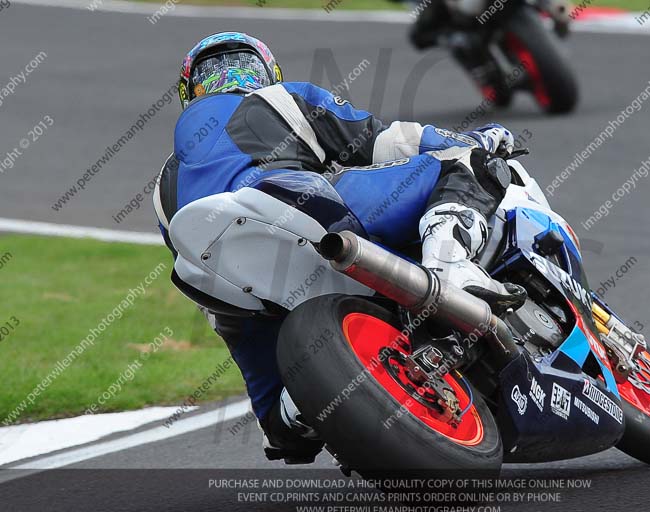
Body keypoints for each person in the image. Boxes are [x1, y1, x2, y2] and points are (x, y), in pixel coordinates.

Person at [153, 32, 524, 464]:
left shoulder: (163, 188)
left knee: (277, 426)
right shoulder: (281, 97)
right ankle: (451, 267)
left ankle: (297, 409)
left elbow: (199, 280)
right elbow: (389, 140)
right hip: (295, 200)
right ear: (268, 72)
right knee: (466, 163)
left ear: (189, 92)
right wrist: (477, 139)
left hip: (238, 287)